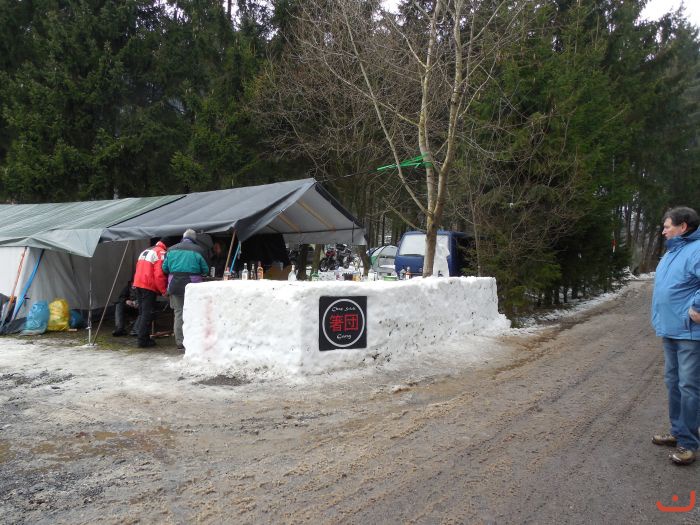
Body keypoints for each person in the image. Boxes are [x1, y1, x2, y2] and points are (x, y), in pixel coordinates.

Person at [651, 206, 700, 465]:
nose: (663, 231)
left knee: (688, 386)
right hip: (670, 328)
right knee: (673, 382)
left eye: (667, 226)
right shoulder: (673, 251)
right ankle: (678, 431)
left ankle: (689, 444)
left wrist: (697, 307)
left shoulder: (697, 249)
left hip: (689, 331)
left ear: (683, 227)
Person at [162, 229, 209, 350]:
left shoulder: (171, 250)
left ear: (183, 237)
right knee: (194, 312)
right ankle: (193, 340)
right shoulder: (199, 250)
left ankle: (180, 342)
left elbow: (164, 268)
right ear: (194, 239)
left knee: (178, 313)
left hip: (175, 285)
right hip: (193, 286)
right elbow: (205, 270)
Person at [132, 240, 168, 348]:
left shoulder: (146, 250)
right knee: (147, 314)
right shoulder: (160, 252)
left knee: (142, 313)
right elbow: (159, 274)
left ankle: (143, 337)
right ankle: (142, 340)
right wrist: (163, 290)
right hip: (148, 285)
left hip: (138, 283)